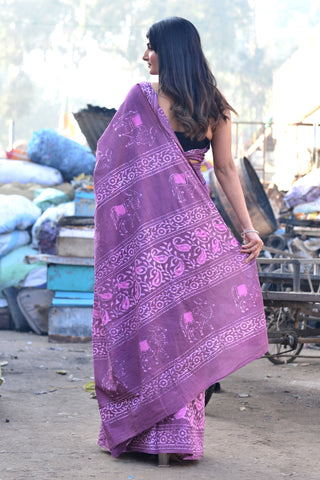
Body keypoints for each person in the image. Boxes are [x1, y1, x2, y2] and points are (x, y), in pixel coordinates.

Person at [92, 17, 268, 467]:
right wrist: (245, 229)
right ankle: (175, 434)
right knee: (184, 327)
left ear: (169, 51)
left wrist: (248, 231)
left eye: (150, 47)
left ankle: (143, 429)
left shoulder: (143, 100)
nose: (145, 55)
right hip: (193, 236)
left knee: (152, 325)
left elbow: (108, 161)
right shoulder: (215, 107)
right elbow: (225, 171)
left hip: (151, 236)